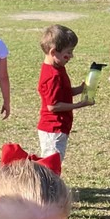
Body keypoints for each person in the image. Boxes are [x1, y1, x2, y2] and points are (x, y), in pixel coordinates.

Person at [37, 24, 93, 162]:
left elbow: (63, 93)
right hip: (53, 128)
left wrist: (81, 88)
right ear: (53, 52)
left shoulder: (58, 68)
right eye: (68, 53)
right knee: (51, 164)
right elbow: (53, 106)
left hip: (59, 127)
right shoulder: (52, 75)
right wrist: (80, 104)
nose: (71, 56)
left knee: (54, 163)